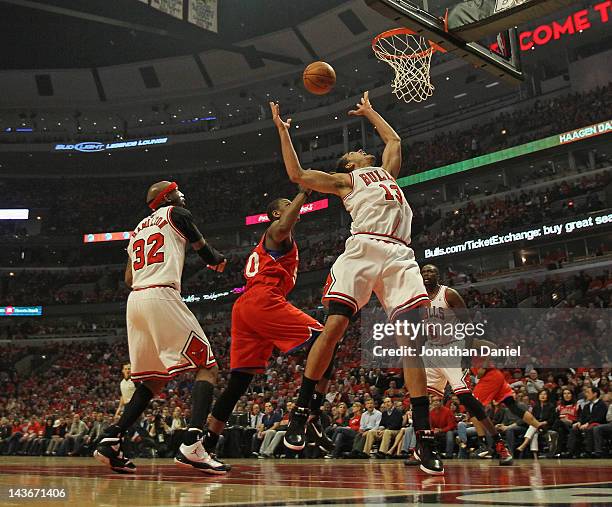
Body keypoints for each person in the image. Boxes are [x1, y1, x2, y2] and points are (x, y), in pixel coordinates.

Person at [270, 92, 443, 475]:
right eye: (359, 152)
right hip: (364, 247)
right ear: (350, 162)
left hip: (400, 254)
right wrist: (283, 132)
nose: (366, 151)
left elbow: (394, 141)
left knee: (412, 343)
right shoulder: (345, 179)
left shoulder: (388, 172)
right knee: (334, 327)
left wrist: (369, 113)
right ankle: (301, 411)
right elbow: (297, 176)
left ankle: (423, 436)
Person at [94, 180, 229, 474]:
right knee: (208, 367)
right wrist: (217, 261)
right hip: (161, 295)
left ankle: (111, 438)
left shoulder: (137, 230)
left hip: (136, 301)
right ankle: (194, 442)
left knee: (153, 380)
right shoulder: (176, 213)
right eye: (178, 192)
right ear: (168, 196)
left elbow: (129, 278)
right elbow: (203, 248)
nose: (183, 195)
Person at [203, 189, 332, 458]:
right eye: (287, 204)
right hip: (263, 298)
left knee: (239, 381)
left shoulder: (273, 244)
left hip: (245, 307)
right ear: (275, 213)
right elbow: (285, 222)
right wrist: (303, 192)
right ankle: (308, 416)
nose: (293, 207)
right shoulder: (275, 230)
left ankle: (205, 444)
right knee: (327, 339)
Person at [420, 264, 513, 465]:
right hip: (432, 351)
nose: (427, 275)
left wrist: (467, 354)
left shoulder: (449, 295)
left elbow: (468, 325)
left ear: (439, 276)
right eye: (424, 272)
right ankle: (423, 448)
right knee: (422, 401)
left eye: (432, 272)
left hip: (453, 348)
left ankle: (499, 444)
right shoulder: (418, 297)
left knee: (466, 399)